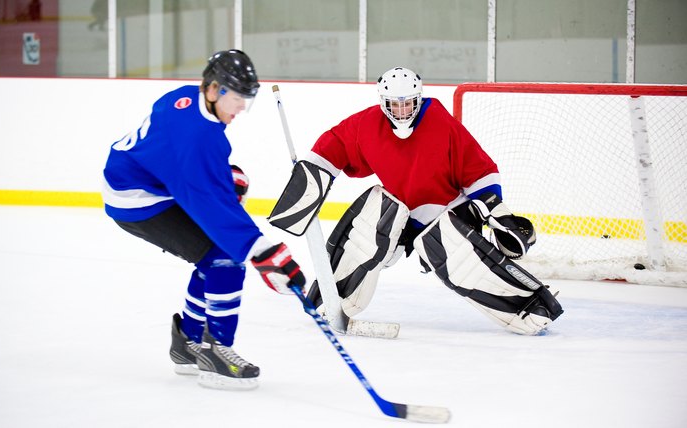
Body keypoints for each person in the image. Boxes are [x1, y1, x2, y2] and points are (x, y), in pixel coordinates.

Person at [269, 67, 562, 336]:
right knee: (368, 225)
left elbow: (477, 168)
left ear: (418, 99)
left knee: (460, 260)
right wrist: (309, 179)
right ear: (384, 102)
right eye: (395, 104)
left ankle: (529, 306)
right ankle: (332, 300)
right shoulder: (368, 124)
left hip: (445, 213)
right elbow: (334, 146)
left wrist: (498, 214)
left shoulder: (440, 123)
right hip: (401, 215)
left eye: (408, 103)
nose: (401, 110)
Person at [102, 49, 306, 391]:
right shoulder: (197, 139)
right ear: (213, 90)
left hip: (142, 177)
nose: (242, 107)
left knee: (220, 232)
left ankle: (188, 343)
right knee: (225, 259)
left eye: (247, 99)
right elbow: (208, 203)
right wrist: (262, 251)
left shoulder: (186, 98)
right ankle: (216, 353)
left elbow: (195, 177)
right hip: (136, 199)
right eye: (238, 98)